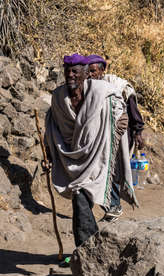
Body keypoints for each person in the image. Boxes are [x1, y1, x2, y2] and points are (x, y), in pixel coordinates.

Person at [44, 53, 132, 250]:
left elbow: (122, 114)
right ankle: (90, 249)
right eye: (67, 72)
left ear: (85, 75)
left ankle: (86, 249)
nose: (71, 76)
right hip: (71, 158)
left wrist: (112, 137)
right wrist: (49, 154)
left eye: (75, 72)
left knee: (81, 199)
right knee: (81, 199)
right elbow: (52, 127)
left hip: (97, 154)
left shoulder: (103, 92)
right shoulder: (59, 97)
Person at [87, 55, 145, 150]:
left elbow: (132, 108)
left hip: (118, 136)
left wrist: (138, 133)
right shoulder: (86, 87)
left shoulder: (116, 84)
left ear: (102, 71)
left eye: (93, 71)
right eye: (87, 71)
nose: (90, 74)